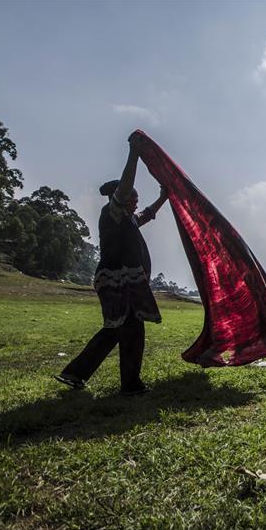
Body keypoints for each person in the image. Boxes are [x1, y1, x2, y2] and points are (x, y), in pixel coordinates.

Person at [55, 132, 168, 395]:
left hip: (122, 280)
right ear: (122, 197)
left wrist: (165, 196)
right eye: (133, 198)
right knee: (131, 329)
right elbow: (126, 188)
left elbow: (147, 215)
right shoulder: (113, 213)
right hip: (118, 280)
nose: (136, 202)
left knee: (115, 328)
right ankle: (131, 385)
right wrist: (134, 154)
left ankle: (75, 373)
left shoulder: (126, 219)